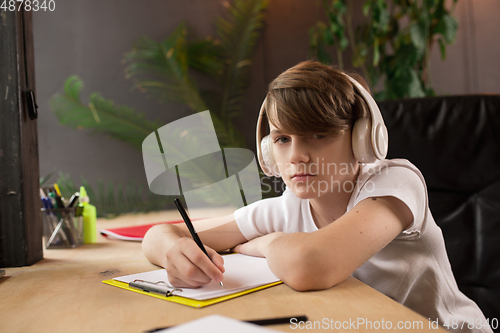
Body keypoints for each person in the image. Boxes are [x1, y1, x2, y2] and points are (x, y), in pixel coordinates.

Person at [142, 61, 491, 333]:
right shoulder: (288, 206)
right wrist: (174, 251)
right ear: (268, 152)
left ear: (362, 139)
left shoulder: (396, 184)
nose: (296, 156)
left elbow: (311, 265)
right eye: (282, 139)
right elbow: (158, 235)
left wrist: (264, 243)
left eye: (318, 135)